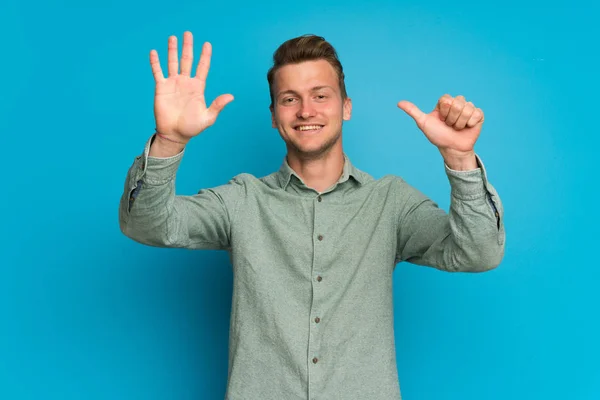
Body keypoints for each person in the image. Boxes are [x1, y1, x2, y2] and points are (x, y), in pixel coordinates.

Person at [119, 31, 505, 400]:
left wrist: (459, 158)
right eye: (290, 99)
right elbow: (147, 225)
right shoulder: (242, 199)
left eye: (320, 95)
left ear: (346, 106)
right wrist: (170, 142)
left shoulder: (391, 202)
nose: (306, 110)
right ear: (274, 115)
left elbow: (478, 253)